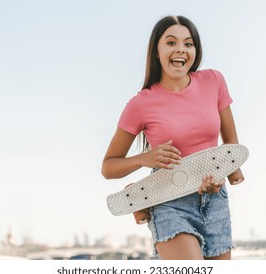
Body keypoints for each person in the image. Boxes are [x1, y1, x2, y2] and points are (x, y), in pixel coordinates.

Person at [101, 15, 244, 260]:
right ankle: (145, 201)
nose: (181, 50)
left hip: (214, 199)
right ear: (156, 51)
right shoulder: (141, 103)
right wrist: (144, 159)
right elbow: (108, 167)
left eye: (188, 44)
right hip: (170, 199)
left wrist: (226, 176)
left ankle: (140, 200)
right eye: (171, 43)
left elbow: (231, 146)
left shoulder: (214, 81)